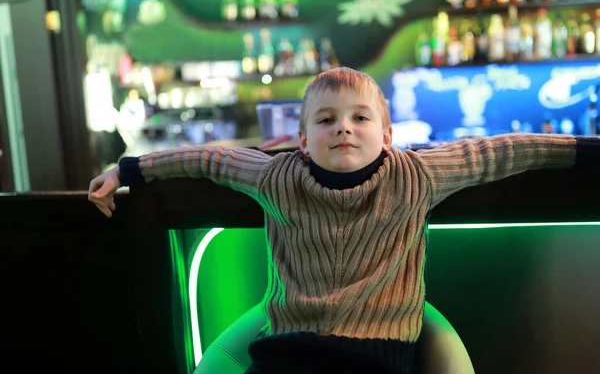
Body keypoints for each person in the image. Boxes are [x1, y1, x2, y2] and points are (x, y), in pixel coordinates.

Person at [89, 67, 598, 373]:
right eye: (327, 119)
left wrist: (586, 152)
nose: (345, 129)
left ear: (387, 133)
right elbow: (209, 159)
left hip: (378, 360)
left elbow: (507, 151)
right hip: (285, 354)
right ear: (303, 139)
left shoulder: (415, 174)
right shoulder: (275, 175)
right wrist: (125, 169)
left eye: (360, 117)